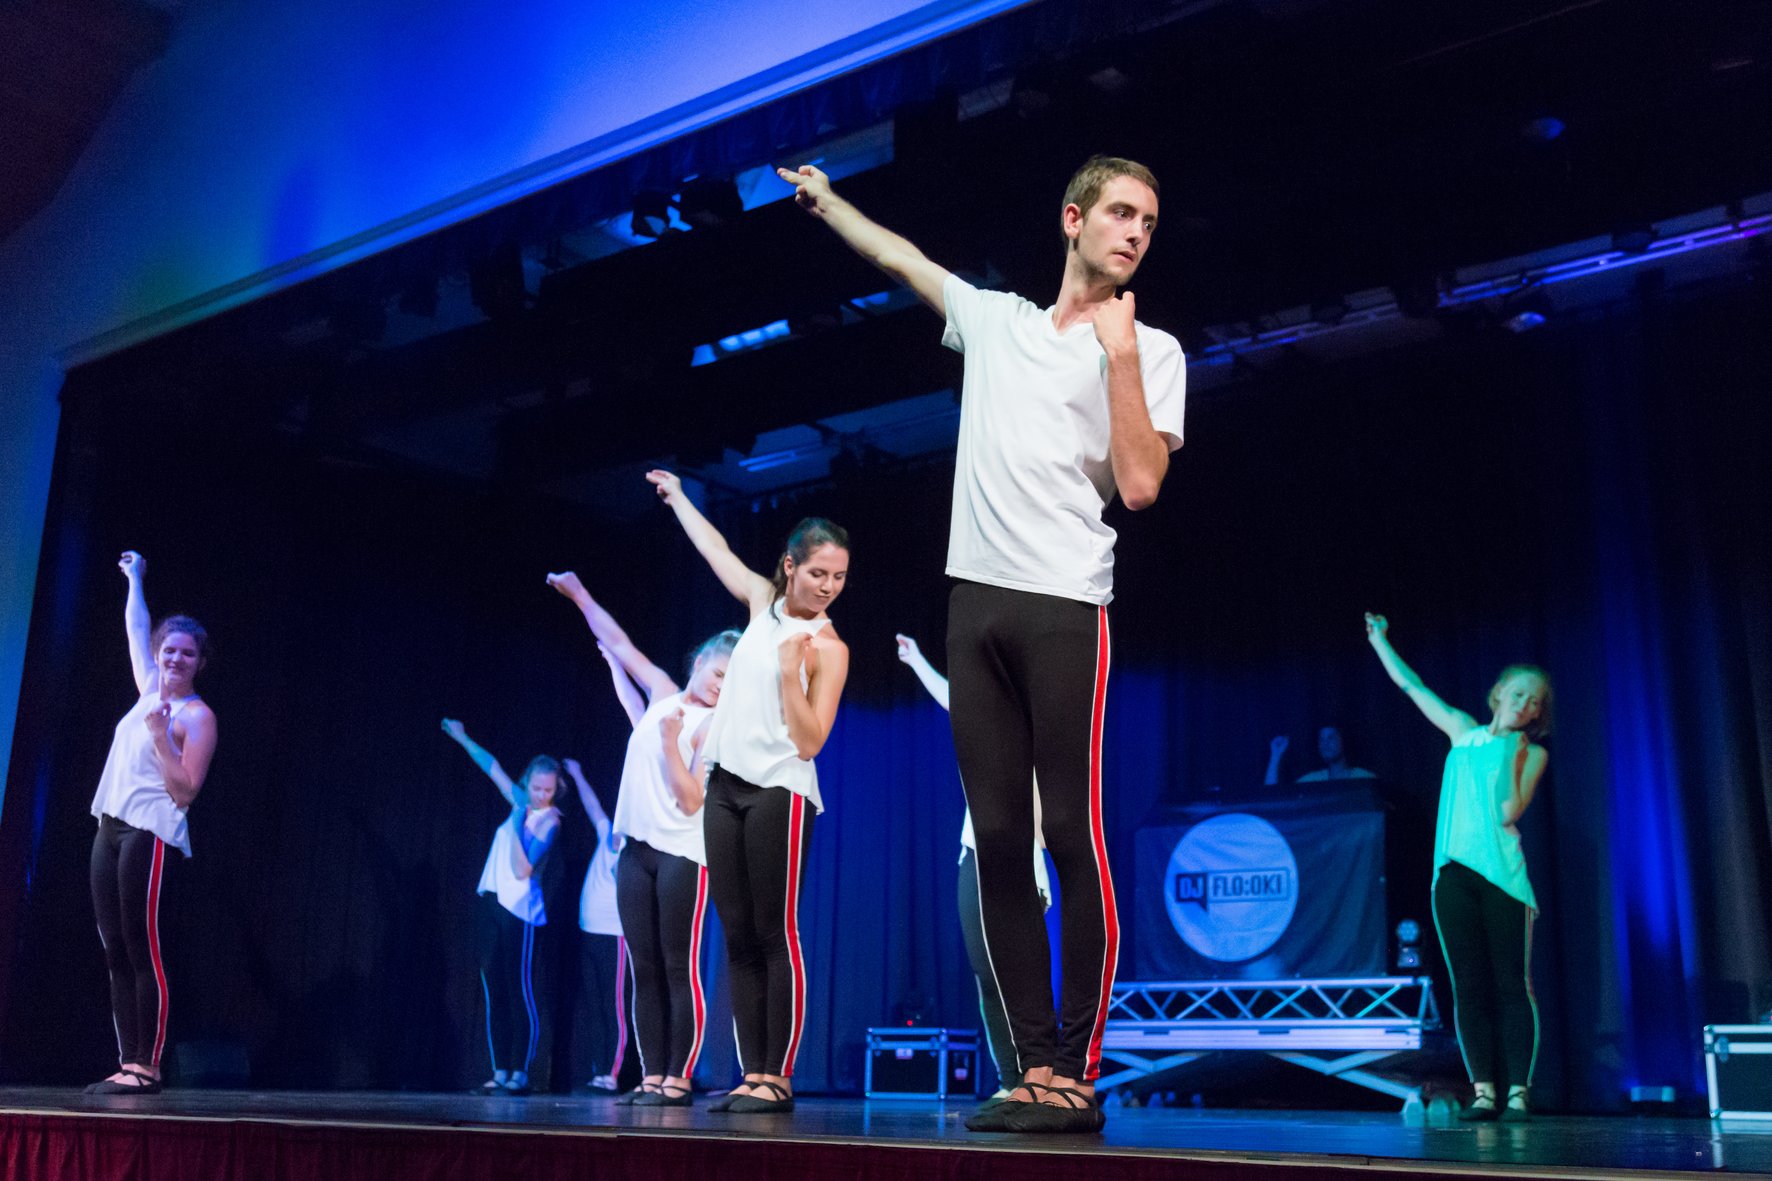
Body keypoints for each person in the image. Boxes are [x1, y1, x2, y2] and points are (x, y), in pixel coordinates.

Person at [779, 154, 1185, 1132]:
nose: (1135, 232)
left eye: (1148, 221)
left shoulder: (1150, 347)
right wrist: (827, 201)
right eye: (1120, 212)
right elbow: (902, 260)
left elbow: (1139, 486)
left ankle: (1076, 1071)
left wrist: (1121, 359)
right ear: (1072, 218)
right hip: (975, 605)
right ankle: (1031, 1064)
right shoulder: (999, 322)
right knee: (998, 839)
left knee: (1068, 832)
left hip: (1065, 604)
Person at [646, 469, 850, 1115]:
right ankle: (751, 1071)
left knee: (773, 931)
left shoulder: (829, 647)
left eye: (838, 576)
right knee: (736, 935)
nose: (828, 586)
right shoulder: (763, 602)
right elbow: (717, 550)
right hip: (725, 787)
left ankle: (777, 1075)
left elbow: (811, 741)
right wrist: (680, 498)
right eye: (818, 572)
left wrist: (792, 673)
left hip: (781, 791)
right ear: (790, 566)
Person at [549, 571, 737, 1107]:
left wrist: (675, 742)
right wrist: (580, 595)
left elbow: (692, 799)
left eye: (731, 682)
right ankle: (652, 1075)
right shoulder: (661, 694)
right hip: (634, 852)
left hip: (683, 856)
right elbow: (620, 642)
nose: (721, 686)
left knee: (678, 966)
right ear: (698, 662)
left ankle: (678, 1078)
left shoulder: (713, 726)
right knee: (644, 968)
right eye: (718, 673)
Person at [1364, 613, 1550, 1123]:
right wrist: (1380, 641)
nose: (1525, 704)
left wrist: (1509, 753)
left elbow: (1507, 811)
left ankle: (1518, 1094)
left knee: (1511, 984)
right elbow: (1412, 686)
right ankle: (1485, 1091)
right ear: (1499, 693)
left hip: (1503, 879)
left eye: (1535, 701)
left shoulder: (1531, 753)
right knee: (1467, 984)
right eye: (1518, 693)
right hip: (1452, 875)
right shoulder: (1462, 732)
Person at [895, 634, 1050, 1103]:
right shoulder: (983, 718)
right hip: (975, 852)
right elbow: (952, 698)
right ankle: (1011, 1078)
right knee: (986, 971)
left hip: (1022, 855)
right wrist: (916, 660)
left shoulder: (1044, 724)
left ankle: (1038, 1073)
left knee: (1019, 970)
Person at [85, 551, 218, 1095]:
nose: (175, 658)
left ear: (199, 662)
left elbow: (185, 791)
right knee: (114, 947)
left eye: (187, 653)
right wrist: (136, 578)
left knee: (145, 950)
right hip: (110, 827)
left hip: (151, 833)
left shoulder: (197, 717)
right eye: (169, 650)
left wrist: (162, 737)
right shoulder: (147, 690)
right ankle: (127, 1061)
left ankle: (149, 1065)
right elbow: (136, 627)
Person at [441, 719, 563, 1096]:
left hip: (521, 912)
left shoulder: (550, 820)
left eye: (548, 790)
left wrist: (517, 817)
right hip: (492, 901)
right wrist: (463, 737)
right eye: (536, 788)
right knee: (494, 990)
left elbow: (523, 868)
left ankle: (521, 1072)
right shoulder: (521, 800)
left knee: (519, 990)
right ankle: (500, 1070)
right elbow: (491, 766)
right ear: (527, 782)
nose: (541, 795)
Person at [561, 753, 628, 1096]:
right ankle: (597, 1071)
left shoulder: (632, 849)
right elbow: (592, 806)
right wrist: (577, 774)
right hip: (589, 930)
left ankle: (611, 1074)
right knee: (592, 1005)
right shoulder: (606, 834)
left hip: (614, 935)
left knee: (612, 1005)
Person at [1264, 726, 1376, 786]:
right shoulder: (1313, 781)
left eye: (1331, 738)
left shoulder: (1364, 778)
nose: (1325, 744)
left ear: (1343, 740)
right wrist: (1276, 755)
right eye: (1321, 739)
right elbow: (1272, 798)